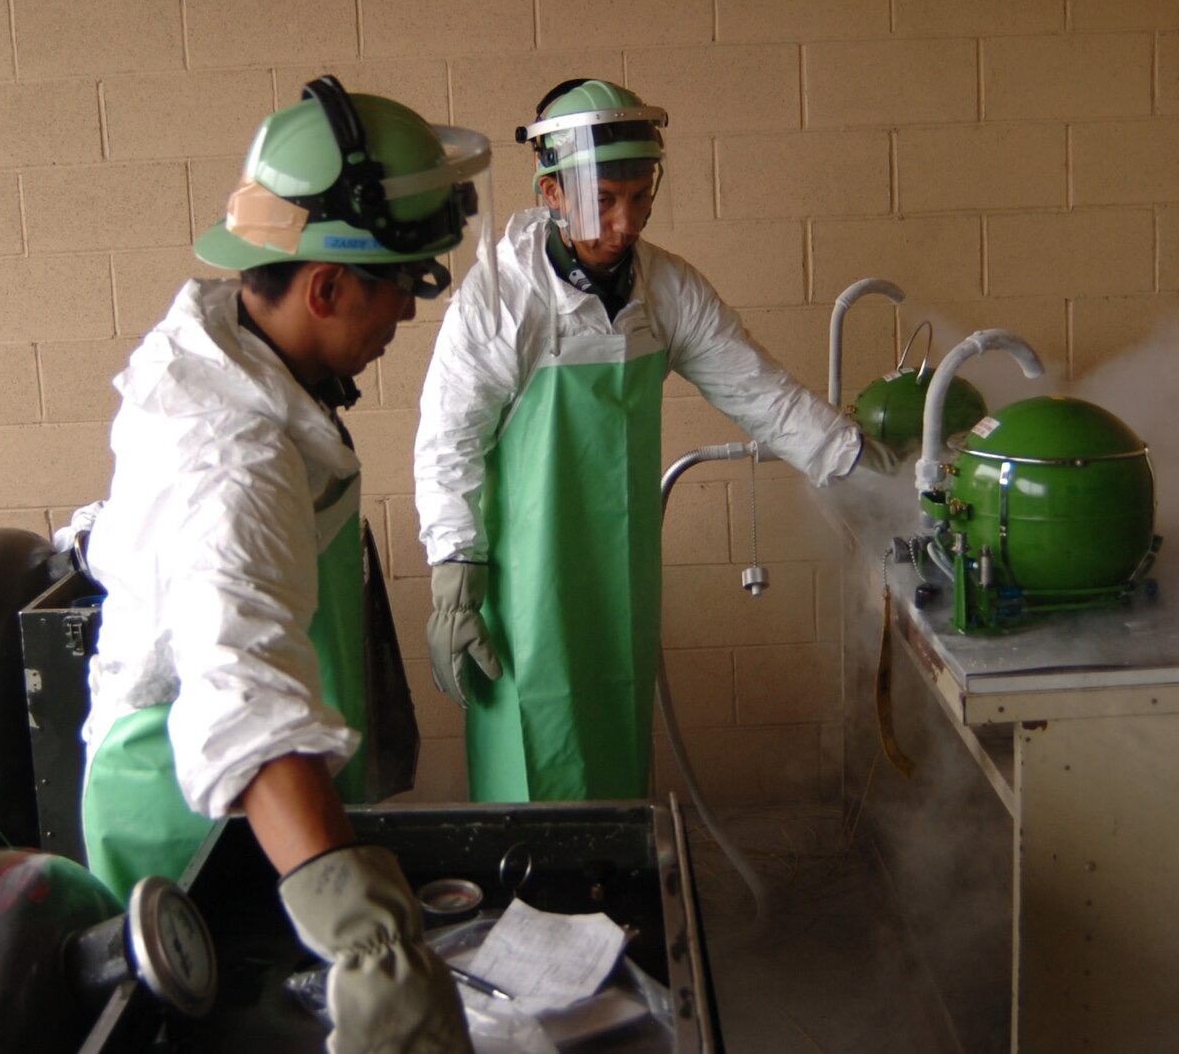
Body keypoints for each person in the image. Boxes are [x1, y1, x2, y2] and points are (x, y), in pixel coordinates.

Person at [70, 77, 486, 1053]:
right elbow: (240, 700)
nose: (406, 314)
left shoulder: (224, 348)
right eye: (400, 283)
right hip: (196, 815)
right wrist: (373, 943)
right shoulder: (235, 451)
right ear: (325, 286)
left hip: (222, 777)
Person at [413, 78, 898, 803]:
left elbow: (761, 393)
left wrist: (867, 468)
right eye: (603, 198)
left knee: (611, 749)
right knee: (532, 760)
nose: (625, 221)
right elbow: (447, 443)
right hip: (520, 584)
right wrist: (453, 577)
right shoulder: (500, 298)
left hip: (617, 572)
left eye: (640, 196)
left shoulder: (666, 290)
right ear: (551, 192)